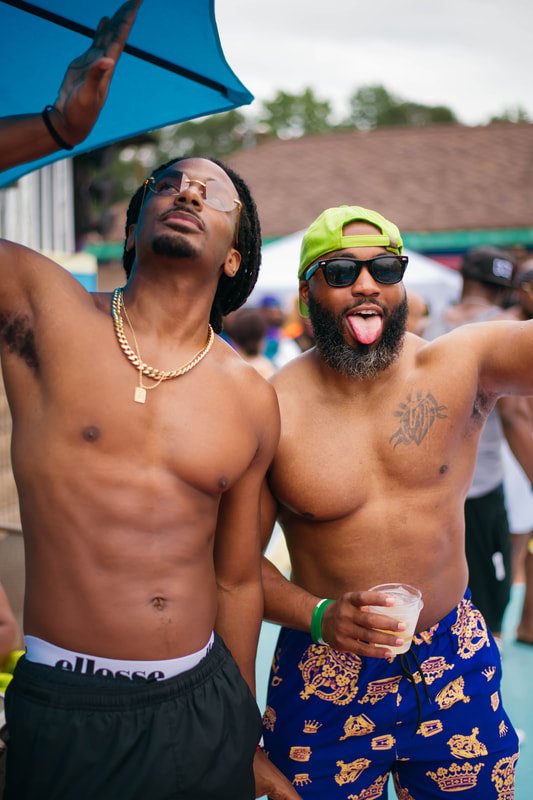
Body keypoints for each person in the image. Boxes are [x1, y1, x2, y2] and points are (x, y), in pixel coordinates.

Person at [0, 4, 298, 798]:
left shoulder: (248, 396)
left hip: (199, 709)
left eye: (213, 191)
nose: (188, 191)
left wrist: (241, 730)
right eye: (169, 182)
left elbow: (236, 582)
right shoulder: (44, 309)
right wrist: (58, 128)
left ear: (234, 253)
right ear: (133, 231)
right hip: (64, 707)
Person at [259, 205, 532, 799]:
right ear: (305, 297)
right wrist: (317, 615)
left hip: (451, 655)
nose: (366, 284)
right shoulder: (269, 407)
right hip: (324, 670)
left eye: (385, 268)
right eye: (339, 272)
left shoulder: (463, 363)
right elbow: (228, 569)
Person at [424, 248, 533, 642]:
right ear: (503, 289)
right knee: (491, 605)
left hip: (428, 493)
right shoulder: (501, 330)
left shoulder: (424, 328)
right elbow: (517, 416)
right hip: (482, 488)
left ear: (465, 281)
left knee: (438, 603)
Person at [501, 266, 533, 644]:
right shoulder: (509, 331)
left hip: (521, 455)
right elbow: (514, 413)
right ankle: (492, 631)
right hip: (512, 460)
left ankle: (525, 626)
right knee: (511, 549)